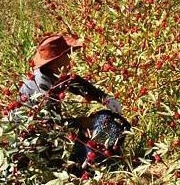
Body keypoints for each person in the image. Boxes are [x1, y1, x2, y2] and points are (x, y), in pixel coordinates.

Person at [13, 34, 128, 169]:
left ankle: (82, 164)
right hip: (29, 143)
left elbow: (76, 82)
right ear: (56, 61)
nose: (70, 59)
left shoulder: (52, 74)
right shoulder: (41, 88)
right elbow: (52, 126)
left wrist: (105, 98)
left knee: (105, 119)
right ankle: (75, 167)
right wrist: (82, 122)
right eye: (67, 55)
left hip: (44, 137)